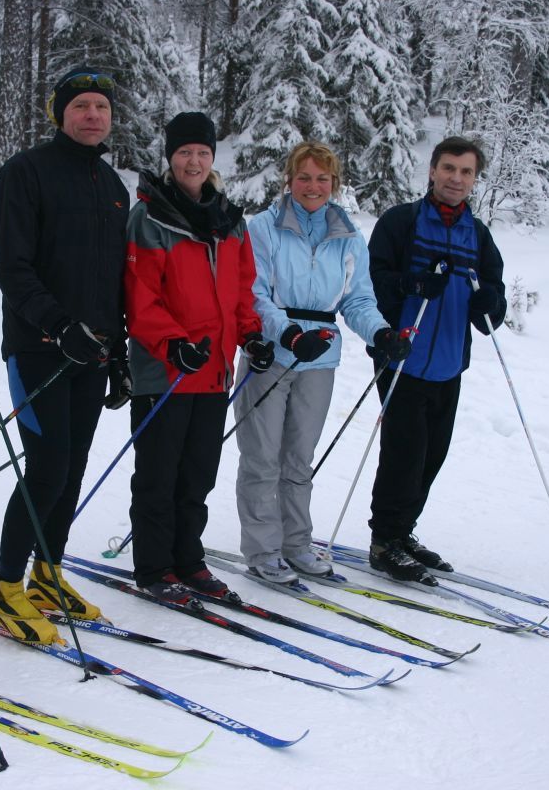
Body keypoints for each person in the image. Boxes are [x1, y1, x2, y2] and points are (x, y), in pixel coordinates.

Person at [0, 66, 130, 644]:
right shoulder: (25, 173)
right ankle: (5, 586)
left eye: (100, 107)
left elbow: (114, 279)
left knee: (71, 466)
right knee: (45, 467)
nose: (92, 115)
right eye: (80, 106)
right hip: (39, 347)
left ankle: (48, 574)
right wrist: (57, 324)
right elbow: (13, 269)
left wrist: (117, 351)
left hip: (92, 352)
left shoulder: (113, 186)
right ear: (60, 114)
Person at [234, 142, 409, 583]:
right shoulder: (264, 228)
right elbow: (252, 294)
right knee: (262, 457)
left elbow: (359, 299)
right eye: (305, 177)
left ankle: (296, 544)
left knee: (298, 458)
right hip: (272, 354)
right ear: (289, 180)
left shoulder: (348, 235)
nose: (313, 187)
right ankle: (262, 549)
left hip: (321, 358)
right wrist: (289, 333)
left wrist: (381, 332)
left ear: (335, 183)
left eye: (323, 179)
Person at [123, 112, 273, 604]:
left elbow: (240, 291)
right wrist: (171, 343)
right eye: (185, 152)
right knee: (158, 477)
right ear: (171, 157)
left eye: (202, 153)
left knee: (197, 476)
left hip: (212, 373)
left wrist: (251, 337)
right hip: (165, 371)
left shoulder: (230, 221)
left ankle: (188, 560)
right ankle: (153, 567)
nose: (194, 161)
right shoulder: (150, 216)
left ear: (213, 159)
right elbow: (141, 295)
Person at [366, 135, 507, 585]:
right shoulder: (401, 222)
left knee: (432, 455)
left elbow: (493, 301)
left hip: (449, 362)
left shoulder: (478, 234)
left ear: (474, 179)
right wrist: (411, 285)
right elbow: (374, 282)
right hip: (404, 357)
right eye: (449, 169)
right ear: (432, 171)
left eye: (466, 172)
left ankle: (403, 532)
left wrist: (490, 302)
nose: (456, 179)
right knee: (403, 454)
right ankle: (384, 540)